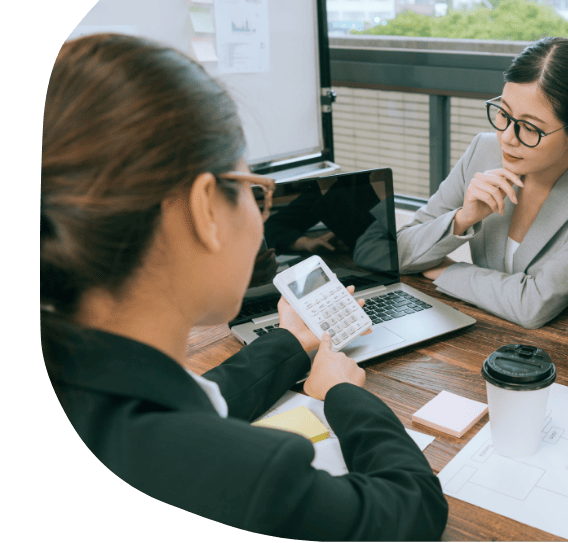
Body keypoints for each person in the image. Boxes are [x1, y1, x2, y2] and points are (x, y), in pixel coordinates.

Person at [40, 34, 447, 540]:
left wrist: (294, 340)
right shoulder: (243, 476)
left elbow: (195, 400)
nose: (260, 217)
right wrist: (344, 395)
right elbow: (411, 511)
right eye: (257, 192)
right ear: (205, 207)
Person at [397, 37, 568, 329]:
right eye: (504, 114)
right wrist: (463, 219)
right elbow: (399, 251)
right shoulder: (483, 150)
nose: (507, 138)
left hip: (559, 356)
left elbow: (534, 305)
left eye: (530, 128)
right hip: (480, 333)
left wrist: (448, 272)